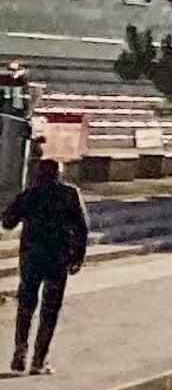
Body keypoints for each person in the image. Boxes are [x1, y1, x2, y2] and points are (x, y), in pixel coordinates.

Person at [6, 149, 90, 375]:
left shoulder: (29, 194)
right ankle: (38, 360)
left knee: (26, 306)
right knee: (50, 309)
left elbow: (7, 222)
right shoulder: (70, 194)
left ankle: (20, 351)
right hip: (58, 258)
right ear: (59, 174)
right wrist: (78, 256)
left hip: (31, 257)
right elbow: (82, 228)